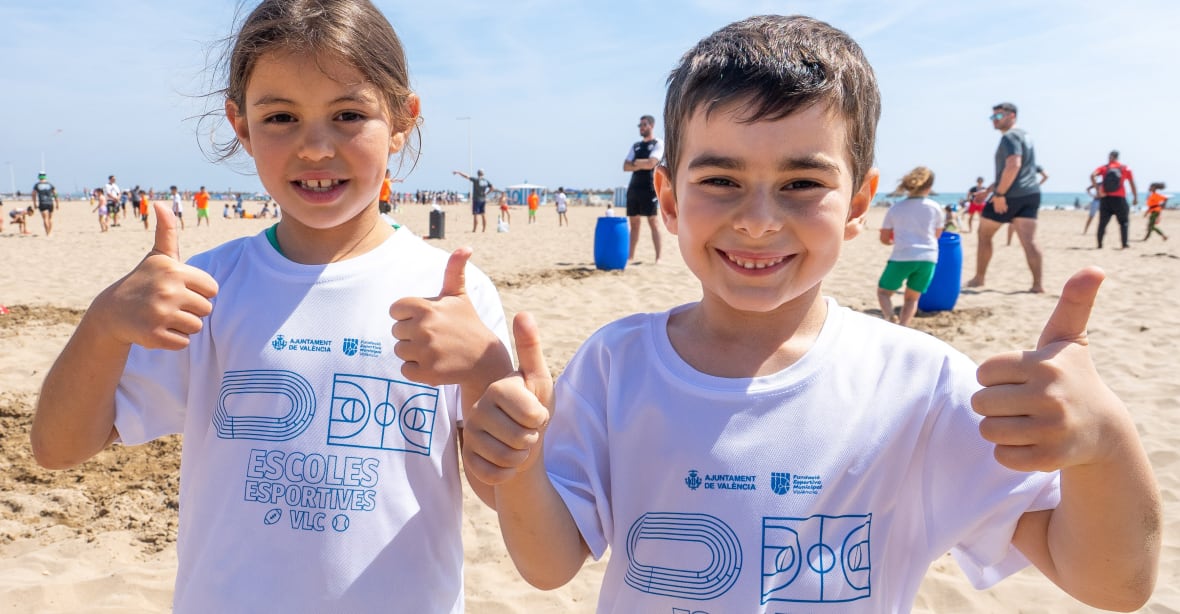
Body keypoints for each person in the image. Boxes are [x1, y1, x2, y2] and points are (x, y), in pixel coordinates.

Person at [456, 16, 1160, 613]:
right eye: (721, 180)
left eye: (801, 183)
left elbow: (1112, 582)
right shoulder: (616, 363)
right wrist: (518, 468)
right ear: (668, 201)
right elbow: (549, 564)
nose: (758, 221)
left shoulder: (923, 383)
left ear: (858, 203)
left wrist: (1104, 444)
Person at [30, 1, 512, 611]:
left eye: (348, 115)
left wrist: (490, 378)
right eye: (281, 116)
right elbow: (57, 447)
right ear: (241, 126)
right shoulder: (205, 289)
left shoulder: (450, 294)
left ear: (401, 121)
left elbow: (500, 493)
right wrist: (103, 324)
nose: (315, 147)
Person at [966, 102, 1044, 293]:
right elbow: (1010, 171)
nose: (994, 120)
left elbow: (1013, 166)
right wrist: (990, 190)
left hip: (1010, 195)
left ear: (1012, 116)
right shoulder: (1026, 136)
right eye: (992, 117)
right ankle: (1037, 285)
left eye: (998, 116)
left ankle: (979, 278)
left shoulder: (1009, 137)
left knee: (984, 234)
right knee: (1029, 241)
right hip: (1031, 194)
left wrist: (999, 194)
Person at [877, 167, 944, 327]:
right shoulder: (935, 207)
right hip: (928, 258)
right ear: (929, 187)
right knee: (912, 298)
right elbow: (937, 235)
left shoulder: (896, 208)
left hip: (902, 256)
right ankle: (904, 326)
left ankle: (890, 317)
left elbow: (884, 238)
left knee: (883, 293)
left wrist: (893, 242)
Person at [623, 114, 664, 262]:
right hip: (634, 188)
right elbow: (625, 166)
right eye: (640, 125)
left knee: (653, 221)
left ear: (651, 126)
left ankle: (658, 257)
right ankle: (631, 256)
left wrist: (636, 163)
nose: (641, 128)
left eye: (644, 125)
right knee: (634, 223)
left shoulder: (658, 143)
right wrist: (642, 163)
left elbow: (651, 163)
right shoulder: (636, 146)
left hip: (649, 187)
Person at [1090, 150, 1138, 249]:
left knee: (1102, 223)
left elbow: (1092, 175)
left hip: (1105, 198)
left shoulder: (1104, 168)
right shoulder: (1125, 168)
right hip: (1120, 198)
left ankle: (1099, 244)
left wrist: (1098, 191)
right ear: (1118, 157)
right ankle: (1124, 244)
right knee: (1124, 222)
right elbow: (1132, 184)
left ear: (1110, 157)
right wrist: (1135, 197)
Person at [1006, 165, 1049, 246]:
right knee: (1030, 219)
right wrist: (1038, 185)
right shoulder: (1035, 166)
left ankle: (1009, 242)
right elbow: (1046, 176)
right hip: (1033, 194)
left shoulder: (1017, 165)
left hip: (1018, 193)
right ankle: (1029, 242)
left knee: (1013, 220)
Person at [32, 172, 59, 236]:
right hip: (50, 203)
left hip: (42, 203)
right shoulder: (50, 185)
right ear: (45, 177)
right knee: (50, 219)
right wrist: (57, 203)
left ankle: (47, 233)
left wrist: (34, 203)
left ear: (39, 177)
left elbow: (33, 194)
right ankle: (49, 232)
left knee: (45, 219)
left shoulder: (37, 185)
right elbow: (55, 194)